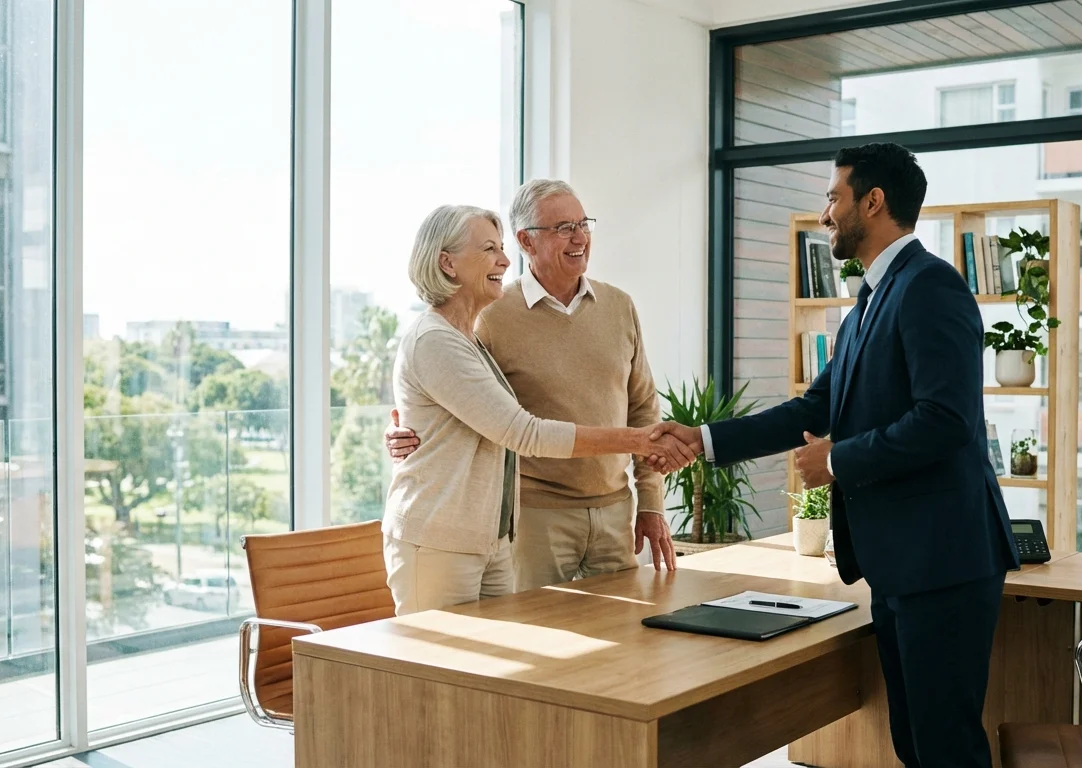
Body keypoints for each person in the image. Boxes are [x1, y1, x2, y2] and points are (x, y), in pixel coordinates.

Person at [655, 143, 1018, 767]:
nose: (825, 214)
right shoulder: (866, 307)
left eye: (833, 196)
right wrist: (705, 440)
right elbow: (811, 410)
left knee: (946, 747)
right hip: (904, 563)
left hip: (945, 563)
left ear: (872, 202)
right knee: (914, 742)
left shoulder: (931, 287)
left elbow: (947, 422)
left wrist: (840, 460)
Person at [383, 204, 692, 615]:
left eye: (583, 224)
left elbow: (454, 414)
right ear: (448, 264)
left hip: (491, 536)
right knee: (441, 669)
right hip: (450, 533)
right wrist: (639, 441)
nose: (504, 260)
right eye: (489, 249)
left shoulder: (465, 337)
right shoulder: (445, 336)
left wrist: (648, 491)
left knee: (498, 668)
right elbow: (521, 430)